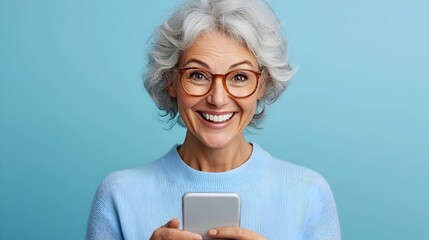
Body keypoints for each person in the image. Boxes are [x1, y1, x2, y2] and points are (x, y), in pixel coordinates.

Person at [86, 0, 341, 239]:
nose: (218, 99)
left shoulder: (309, 193)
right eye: (198, 75)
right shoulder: (118, 195)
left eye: (239, 77)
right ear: (170, 81)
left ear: (263, 83)